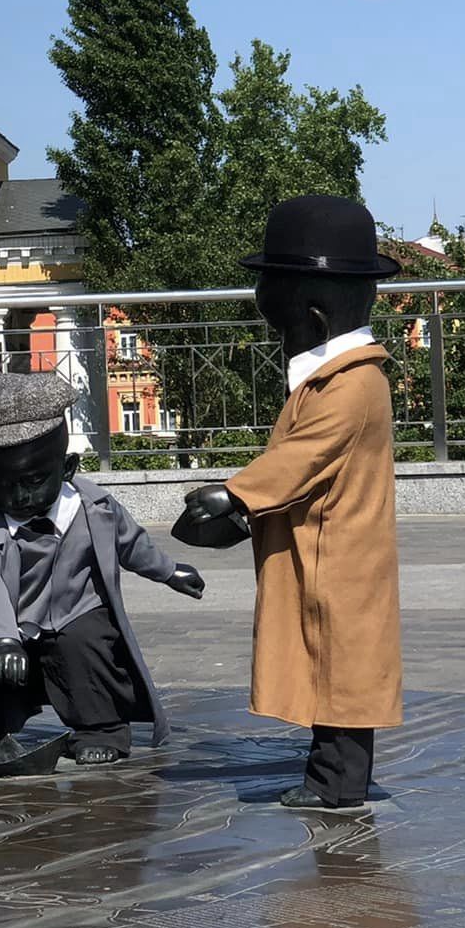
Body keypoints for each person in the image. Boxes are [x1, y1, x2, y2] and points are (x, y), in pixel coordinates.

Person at [174, 194, 403, 810]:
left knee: (345, 671)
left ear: (311, 311)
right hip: (326, 546)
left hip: (341, 558)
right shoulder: (338, 377)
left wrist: (236, 494)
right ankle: (330, 775)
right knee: (331, 667)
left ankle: (337, 784)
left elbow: (302, 457)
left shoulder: (353, 386)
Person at [0, 371, 205, 768]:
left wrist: (170, 571)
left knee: (86, 644)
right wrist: (4, 640)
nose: (20, 496)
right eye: (2, 483)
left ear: (67, 467)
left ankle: (102, 728)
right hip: (11, 624)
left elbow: (132, 544)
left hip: (75, 611)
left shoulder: (95, 508)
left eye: (35, 480)